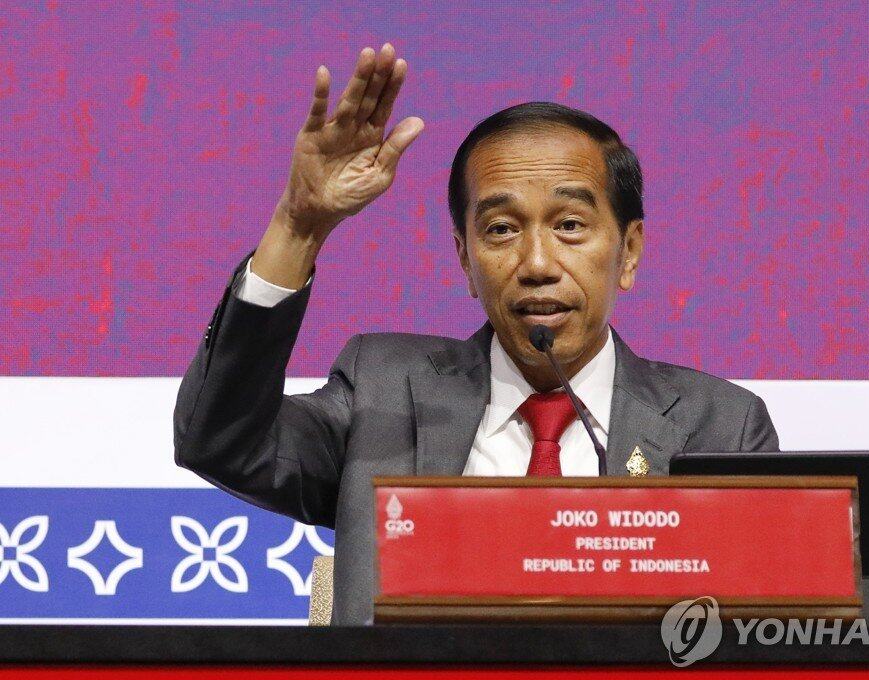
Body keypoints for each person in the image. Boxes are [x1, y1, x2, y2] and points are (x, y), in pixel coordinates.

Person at [173, 43, 779, 625]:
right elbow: (220, 442)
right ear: (464, 258)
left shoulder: (719, 427)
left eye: (570, 225)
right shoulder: (383, 394)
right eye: (501, 229)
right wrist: (297, 227)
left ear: (630, 251)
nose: (537, 263)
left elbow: (754, 635)